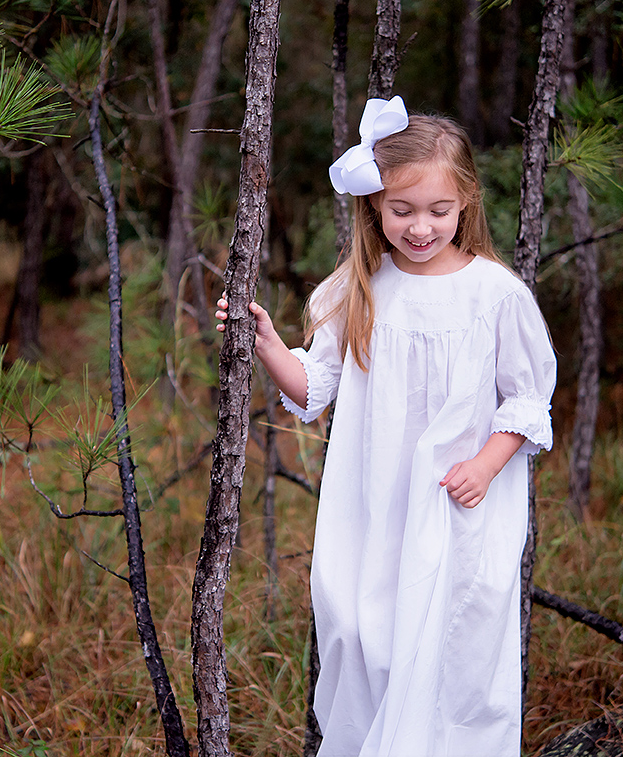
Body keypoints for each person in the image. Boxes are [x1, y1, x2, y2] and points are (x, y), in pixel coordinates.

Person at [216, 96, 556, 756]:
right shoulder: (359, 288)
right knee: (362, 630)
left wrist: (486, 463)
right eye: (403, 210)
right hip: (372, 505)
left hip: (456, 505)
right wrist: (268, 344)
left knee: (449, 648)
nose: (421, 227)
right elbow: (314, 389)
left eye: (438, 210)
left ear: (465, 203)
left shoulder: (494, 294)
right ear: (375, 205)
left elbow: (526, 398)